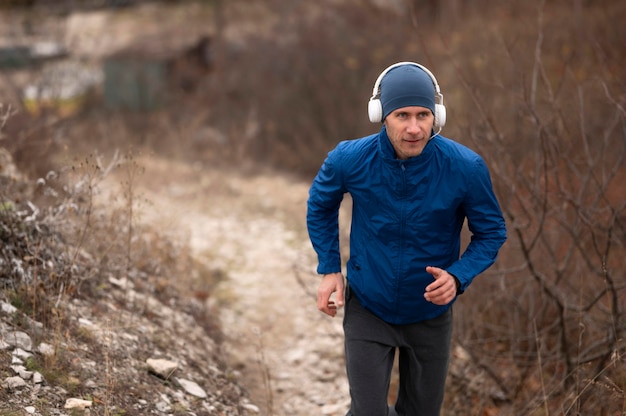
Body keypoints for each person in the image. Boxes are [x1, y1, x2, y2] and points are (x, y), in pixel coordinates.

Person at [306, 61, 507, 416]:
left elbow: (491, 232)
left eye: (423, 115)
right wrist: (329, 267)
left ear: (437, 117)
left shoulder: (465, 167)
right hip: (369, 305)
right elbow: (320, 204)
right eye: (402, 115)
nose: (414, 128)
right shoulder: (349, 159)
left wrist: (458, 276)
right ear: (381, 114)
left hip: (430, 312)